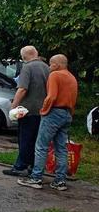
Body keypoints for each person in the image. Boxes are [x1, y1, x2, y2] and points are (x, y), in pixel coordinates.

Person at [18, 54, 78, 191]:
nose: (49, 67)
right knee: (61, 148)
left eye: (51, 64)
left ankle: (36, 178)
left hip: (54, 112)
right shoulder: (72, 77)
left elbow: (51, 96)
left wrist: (43, 111)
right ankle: (60, 180)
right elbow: (73, 98)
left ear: (56, 65)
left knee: (41, 146)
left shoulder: (55, 75)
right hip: (67, 113)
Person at [3, 46, 50, 176]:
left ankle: (20, 166)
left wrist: (13, 106)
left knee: (25, 139)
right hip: (43, 110)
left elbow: (22, 88)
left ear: (23, 57)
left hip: (28, 110)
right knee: (36, 140)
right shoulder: (46, 67)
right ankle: (33, 166)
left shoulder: (28, 67)